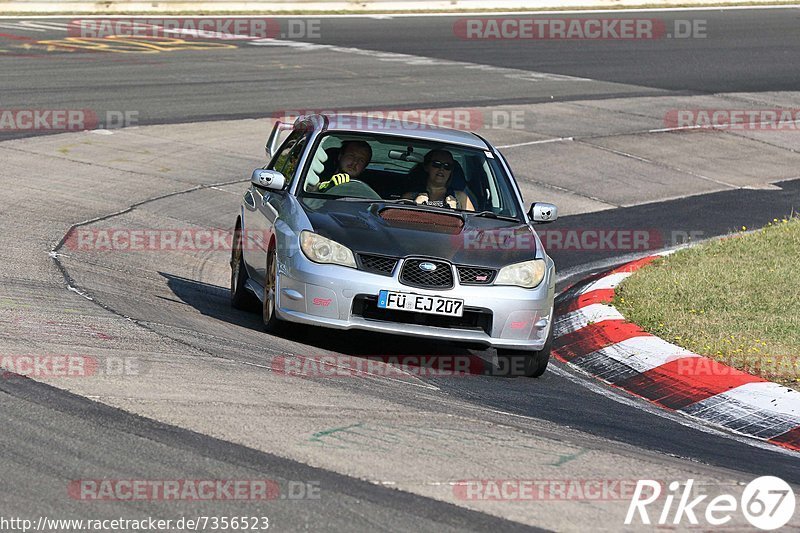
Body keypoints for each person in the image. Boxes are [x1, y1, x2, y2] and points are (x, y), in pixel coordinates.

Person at [402, 149, 475, 211]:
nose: (441, 169)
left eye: (447, 166)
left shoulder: (461, 198)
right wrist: (414, 206)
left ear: (451, 171)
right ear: (426, 167)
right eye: (436, 164)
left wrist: (455, 211)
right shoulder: (410, 197)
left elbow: (473, 224)